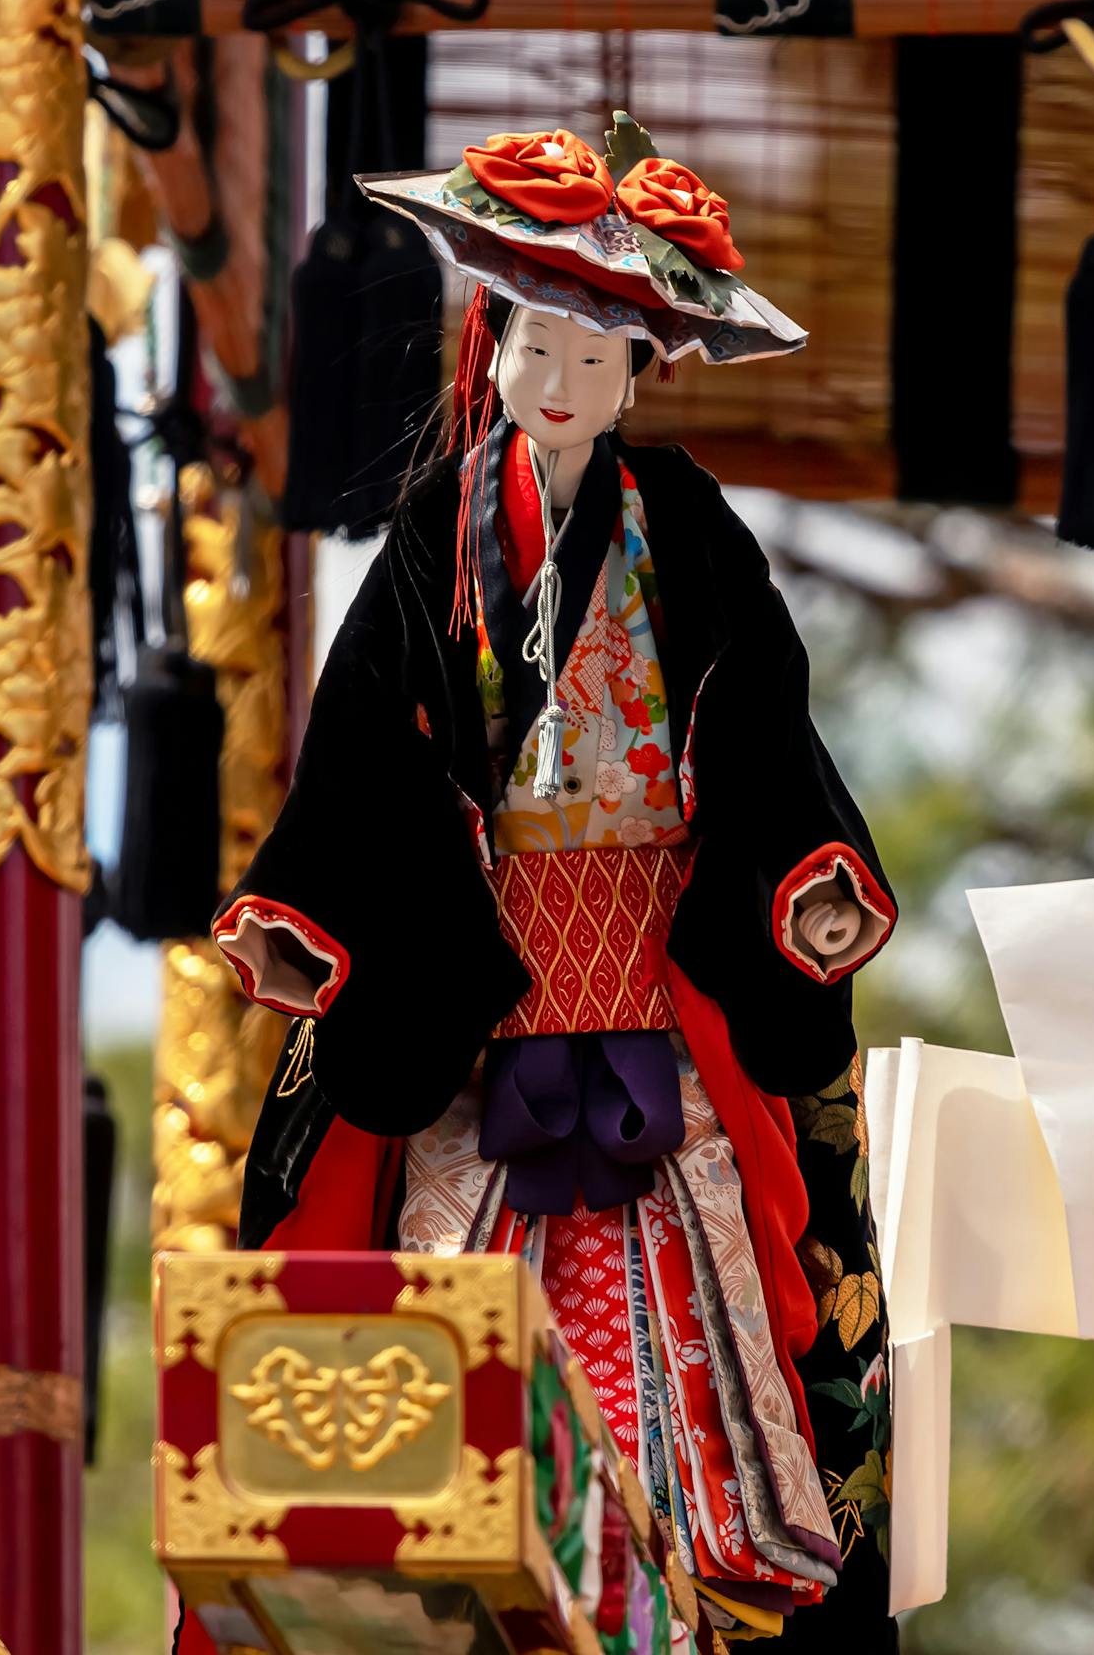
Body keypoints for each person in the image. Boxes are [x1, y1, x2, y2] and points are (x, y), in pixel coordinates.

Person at [218, 117, 900, 1646]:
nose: (572, 380)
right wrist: (308, 908)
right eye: (546, 344)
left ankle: (698, 1565)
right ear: (498, 344)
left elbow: (768, 722)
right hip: (480, 989)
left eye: (605, 355)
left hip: (658, 979)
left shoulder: (690, 528)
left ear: (645, 373)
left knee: (708, 1303)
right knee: (438, 1307)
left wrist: (811, 875)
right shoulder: (433, 536)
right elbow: (356, 745)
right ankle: (450, 1576)